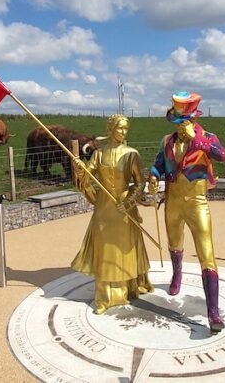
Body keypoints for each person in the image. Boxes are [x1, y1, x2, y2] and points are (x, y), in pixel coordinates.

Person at [148, 91, 225, 333]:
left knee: (207, 252)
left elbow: (221, 156)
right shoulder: (167, 141)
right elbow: (159, 163)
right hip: (172, 200)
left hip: (197, 201)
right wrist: (153, 174)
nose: (182, 126)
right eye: (178, 122)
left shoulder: (208, 138)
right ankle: (177, 274)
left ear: (194, 120)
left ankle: (213, 312)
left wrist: (197, 141)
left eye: (185, 122)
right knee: (174, 242)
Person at [71, 114, 154, 314]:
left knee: (124, 247)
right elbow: (88, 173)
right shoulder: (99, 154)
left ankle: (128, 289)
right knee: (105, 248)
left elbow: (139, 182)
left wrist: (128, 201)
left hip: (124, 208)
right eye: (120, 128)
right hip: (104, 208)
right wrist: (80, 167)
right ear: (111, 129)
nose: (124, 132)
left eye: (126, 128)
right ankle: (105, 297)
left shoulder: (132, 153)